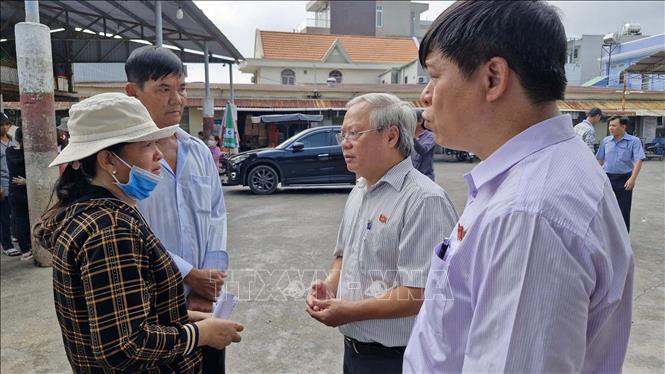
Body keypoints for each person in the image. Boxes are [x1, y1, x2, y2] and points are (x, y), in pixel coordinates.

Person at [404, 2, 633, 373]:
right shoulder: (538, 176)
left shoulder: (529, 214)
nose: (425, 96)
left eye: (434, 76)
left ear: (493, 77)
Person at [33, 93, 243, 372]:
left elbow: (130, 312)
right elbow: (124, 347)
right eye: (146, 145)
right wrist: (202, 334)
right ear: (108, 160)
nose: (158, 154)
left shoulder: (98, 214)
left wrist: (188, 316)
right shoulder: (109, 230)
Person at [306, 93, 458, 374]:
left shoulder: (423, 200)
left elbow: (420, 292)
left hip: (397, 358)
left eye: (354, 133)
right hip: (354, 351)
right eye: (343, 134)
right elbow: (343, 254)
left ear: (390, 137)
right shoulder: (359, 191)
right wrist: (329, 286)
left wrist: (349, 311)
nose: (345, 143)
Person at [124, 45, 230, 373]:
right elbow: (133, 231)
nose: (177, 99)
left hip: (206, 302)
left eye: (181, 88)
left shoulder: (197, 150)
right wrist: (189, 275)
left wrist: (209, 283)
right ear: (133, 92)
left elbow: (216, 214)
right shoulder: (123, 158)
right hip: (152, 305)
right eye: (163, 89)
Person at [597, 116, 645, 232]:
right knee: (606, 209)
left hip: (624, 179)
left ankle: (623, 239)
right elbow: (600, 160)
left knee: (623, 209)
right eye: (610, 125)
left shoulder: (634, 141)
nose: (610, 128)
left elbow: (639, 160)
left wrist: (632, 179)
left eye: (614, 125)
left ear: (623, 127)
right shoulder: (606, 141)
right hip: (607, 178)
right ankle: (607, 237)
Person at [5, 127, 32, 260]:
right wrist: (28, 181)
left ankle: (25, 251)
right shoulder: (28, 154)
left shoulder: (9, 151)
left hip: (13, 191)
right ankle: (32, 246)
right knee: (30, 220)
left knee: (19, 221)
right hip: (27, 191)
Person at [0, 113, 18, 256]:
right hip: (3, 184)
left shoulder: (13, 141)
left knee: (14, 215)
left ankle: (13, 236)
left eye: (6, 124)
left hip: (14, 183)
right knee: (4, 217)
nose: (4, 127)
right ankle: (7, 245)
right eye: (2, 125)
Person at [410, 110, 436, 180]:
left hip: (426, 177)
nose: (409, 123)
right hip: (412, 177)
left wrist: (412, 138)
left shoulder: (430, 136)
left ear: (420, 121)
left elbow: (423, 150)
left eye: (411, 120)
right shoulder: (409, 137)